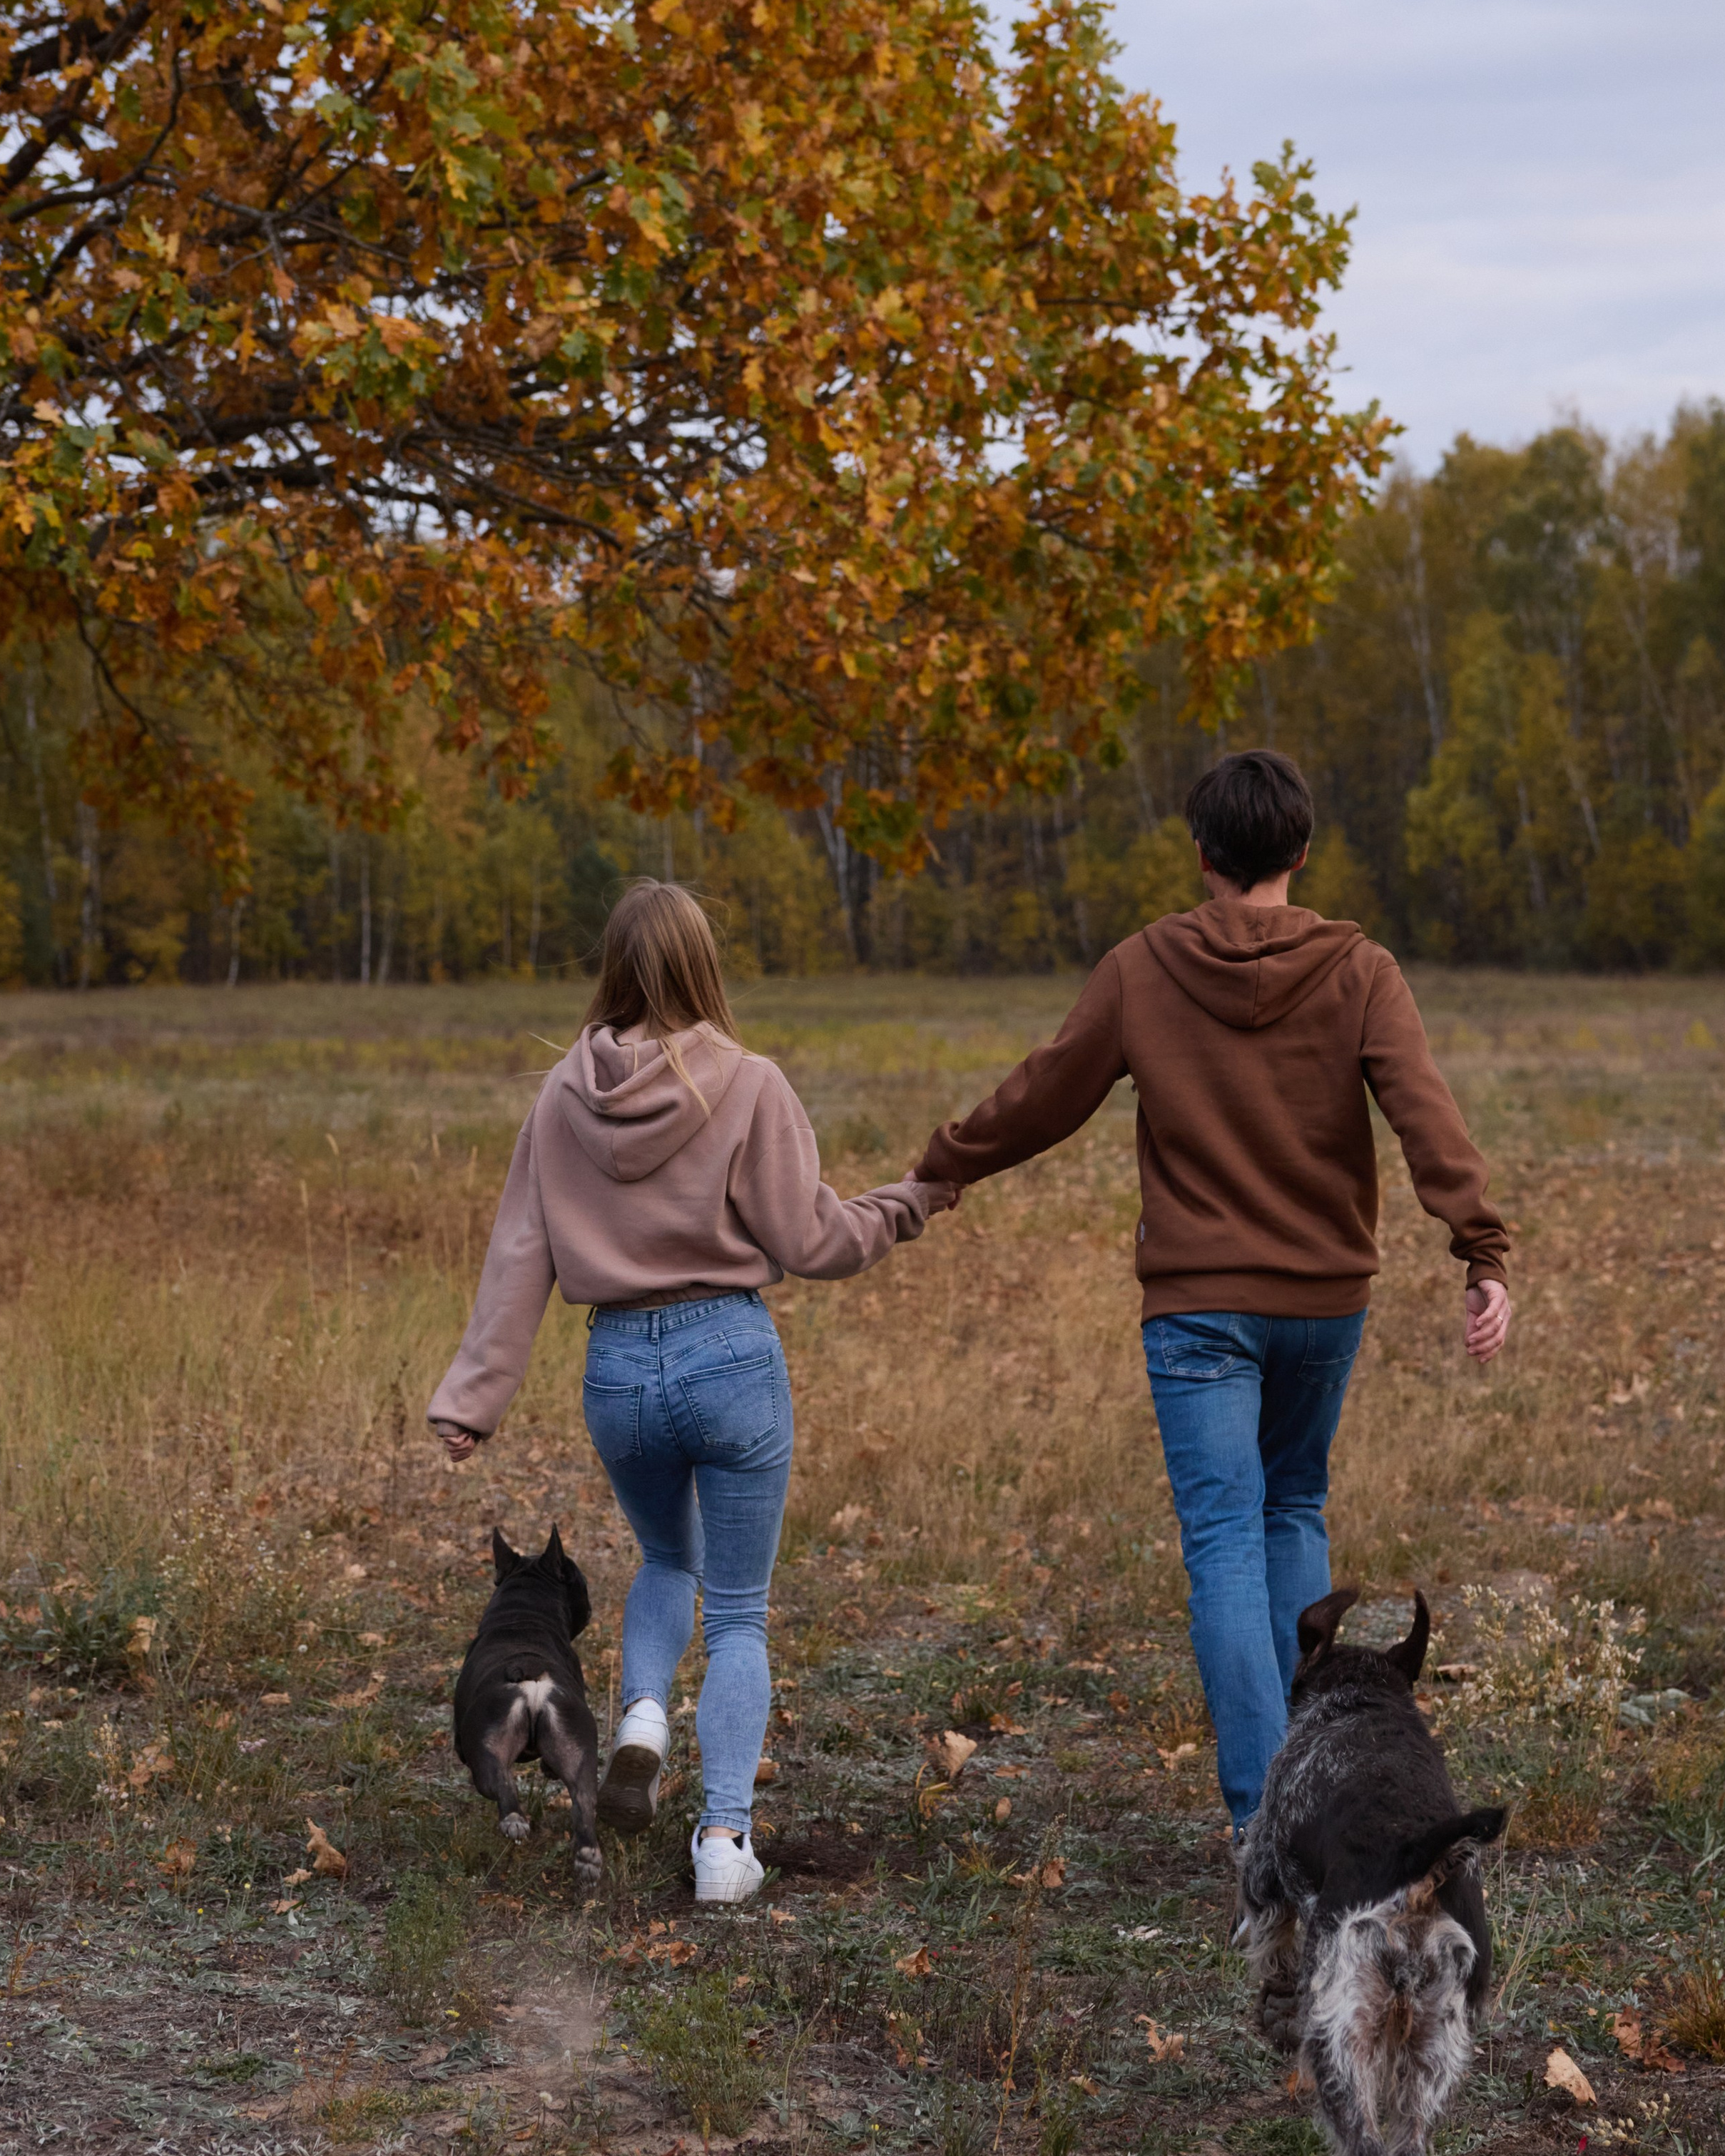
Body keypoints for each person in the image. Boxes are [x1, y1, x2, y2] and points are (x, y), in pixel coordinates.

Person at [912, 750, 1511, 1838]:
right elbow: (1427, 1114)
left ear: (1202, 855)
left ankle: (1261, 1824)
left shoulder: (1144, 968)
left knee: (1228, 1540)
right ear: (1302, 850)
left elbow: (1046, 1094)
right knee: (1292, 1510)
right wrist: (1482, 1252)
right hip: (1326, 1301)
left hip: (1197, 1310)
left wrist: (946, 1162)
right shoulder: (1362, 968)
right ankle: (1320, 1804)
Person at [429, 877, 956, 1904]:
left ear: (613, 969)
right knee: (743, 1613)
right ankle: (723, 1845)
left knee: (669, 1558)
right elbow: (811, 1241)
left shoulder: (560, 1095)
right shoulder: (749, 1082)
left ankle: (638, 1721)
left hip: (617, 1368)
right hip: (728, 1355)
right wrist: (911, 1202)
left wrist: (471, 1400)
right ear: (702, 964)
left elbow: (517, 1255)